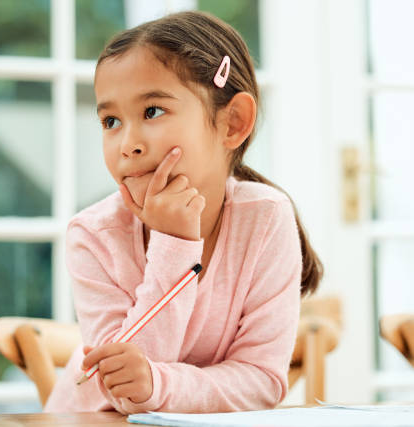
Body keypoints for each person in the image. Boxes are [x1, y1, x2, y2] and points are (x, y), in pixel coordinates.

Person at [44, 10, 323, 414]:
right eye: (110, 120)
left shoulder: (265, 219)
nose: (128, 144)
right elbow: (122, 391)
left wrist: (158, 384)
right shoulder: (93, 235)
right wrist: (175, 244)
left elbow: (262, 382)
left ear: (233, 123)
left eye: (152, 111)